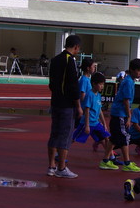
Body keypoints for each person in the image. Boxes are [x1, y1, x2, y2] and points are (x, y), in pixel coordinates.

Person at [47, 35, 83, 178]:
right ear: (76, 47)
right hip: (66, 104)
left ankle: (51, 166)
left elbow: (51, 83)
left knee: (54, 133)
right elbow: (73, 85)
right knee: (65, 135)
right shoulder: (70, 61)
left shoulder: (55, 60)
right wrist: (78, 105)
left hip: (55, 102)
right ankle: (61, 168)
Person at [71, 72, 117, 170]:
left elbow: (99, 110)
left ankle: (110, 158)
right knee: (74, 138)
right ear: (94, 84)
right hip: (87, 123)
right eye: (100, 84)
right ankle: (60, 151)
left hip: (96, 123)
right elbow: (86, 110)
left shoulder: (98, 95)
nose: (102, 86)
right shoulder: (90, 95)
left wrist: (104, 123)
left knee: (107, 137)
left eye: (103, 84)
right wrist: (87, 125)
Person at [110, 58, 140, 173]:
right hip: (121, 113)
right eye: (138, 71)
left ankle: (106, 160)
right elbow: (126, 100)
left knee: (114, 138)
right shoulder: (129, 81)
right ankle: (127, 163)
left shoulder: (128, 80)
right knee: (125, 137)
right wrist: (129, 116)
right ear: (131, 69)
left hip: (117, 112)